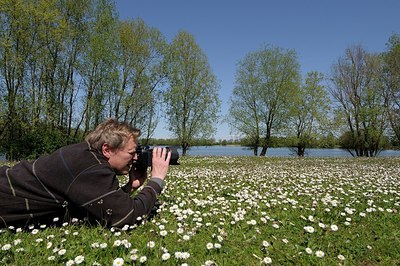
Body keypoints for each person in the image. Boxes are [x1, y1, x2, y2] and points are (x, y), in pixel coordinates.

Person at [0, 118, 171, 228]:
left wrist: (129, 188)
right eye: (131, 152)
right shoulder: (91, 167)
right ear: (107, 149)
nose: (135, 158)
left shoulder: (85, 156)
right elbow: (127, 216)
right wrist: (156, 180)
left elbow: (96, 207)